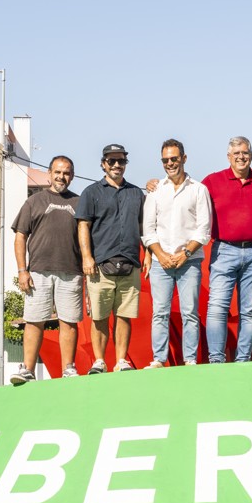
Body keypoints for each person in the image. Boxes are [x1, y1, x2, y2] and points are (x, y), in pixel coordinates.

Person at [9, 155, 82, 385]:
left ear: (72, 176)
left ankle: (68, 369)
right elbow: (20, 237)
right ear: (49, 174)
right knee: (34, 320)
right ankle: (27, 369)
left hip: (71, 272)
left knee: (68, 322)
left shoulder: (79, 203)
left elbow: (86, 238)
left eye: (67, 172)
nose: (62, 176)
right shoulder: (34, 202)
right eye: (58, 172)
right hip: (38, 272)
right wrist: (22, 270)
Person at [141, 139, 212, 368]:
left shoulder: (199, 189)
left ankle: (190, 359)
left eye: (174, 158)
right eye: (165, 160)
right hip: (161, 261)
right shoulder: (155, 191)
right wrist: (159, 254)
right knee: (159, 312)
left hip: (189, 262)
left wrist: (186, 254)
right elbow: (148, 229)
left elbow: (204, 229)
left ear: (184, 158)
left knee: (189, 312)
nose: (170, 163)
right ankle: (159, 359)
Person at [201, 136, 252, 363]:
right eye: (237, 154)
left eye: (246, 153)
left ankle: (243, 361)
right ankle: (216, 360)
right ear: (229, 156)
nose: (242, 157)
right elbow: (189, 196)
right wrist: (156, 184)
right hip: (224, 251)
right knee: (217, 308)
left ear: (251, 155)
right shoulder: (212, 181)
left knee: (248, 311)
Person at [77, 144, 145, 373]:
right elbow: (83, 225)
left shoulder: (137, 193)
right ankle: (99, 361)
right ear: (103, 163)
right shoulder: (91, 192)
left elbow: (145, 227)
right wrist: (87, 257)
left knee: (125, 316)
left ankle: (121, 361)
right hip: (99, 265)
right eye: (112, 161)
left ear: (126, 163)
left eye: (121, 161)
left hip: (131, 263)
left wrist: (150, 256)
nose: (117, 165)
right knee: (100, 316)